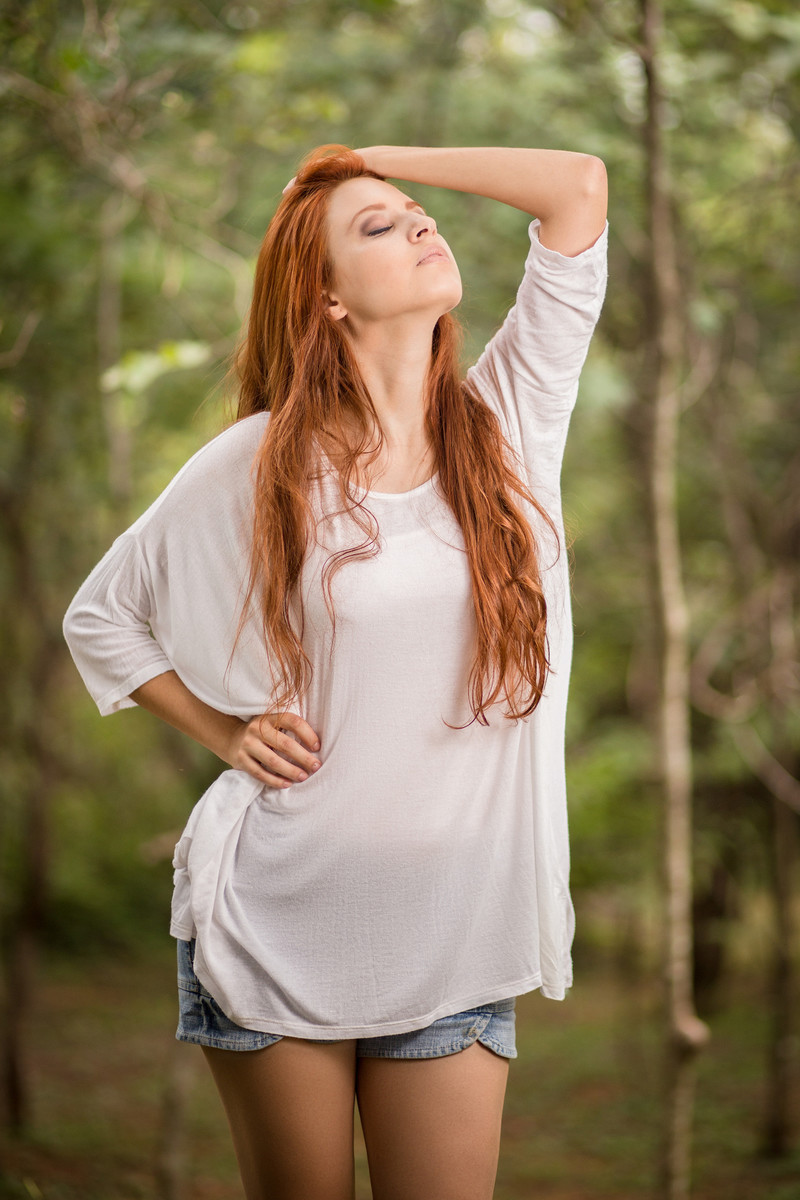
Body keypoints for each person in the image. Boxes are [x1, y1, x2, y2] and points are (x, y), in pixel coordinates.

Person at [63, 143, 608, 1200]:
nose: (419, 226)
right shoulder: (260, 461)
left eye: (416, 213)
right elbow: (104, 616)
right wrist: (223, 733)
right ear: (322, 299)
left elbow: (576, 185)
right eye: (377, 225)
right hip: (277, 920)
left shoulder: (510, 423)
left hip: (456, 931)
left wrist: (365, 163)